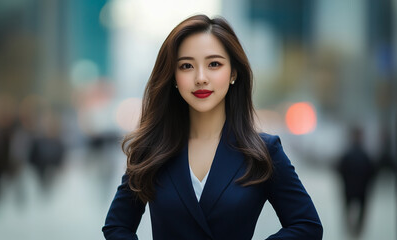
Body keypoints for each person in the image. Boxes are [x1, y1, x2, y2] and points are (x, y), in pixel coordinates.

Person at [103, 14, 322, 240]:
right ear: (174, 77)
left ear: (233, 73)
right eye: (186, 66)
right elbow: (117, 227)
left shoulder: (263, 151)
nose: (200, 78)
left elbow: (306, 226)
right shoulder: (150, 150)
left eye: (214, 64)